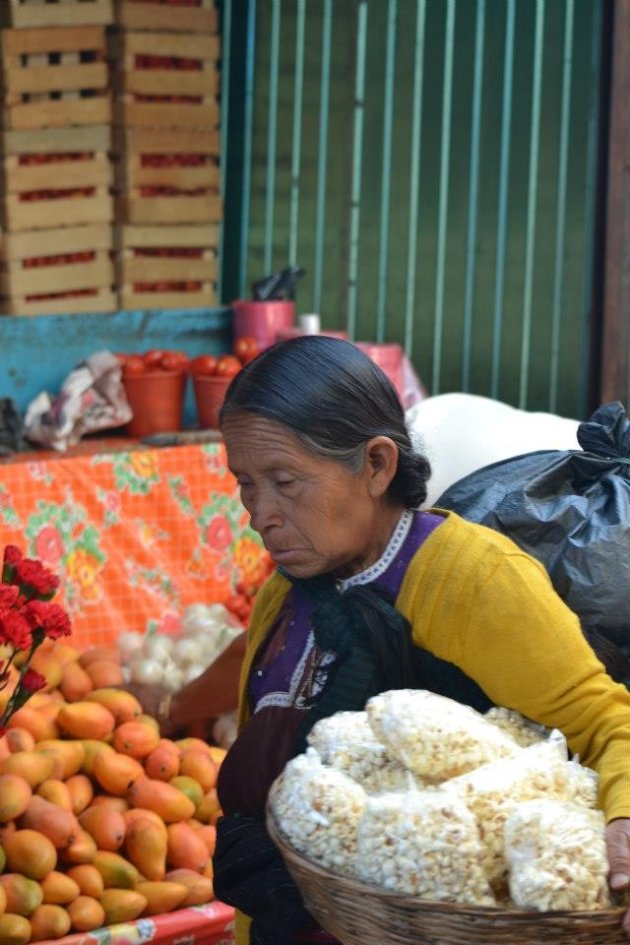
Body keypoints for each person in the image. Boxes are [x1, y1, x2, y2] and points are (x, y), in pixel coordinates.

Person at [136, 336, 630, 944]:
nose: (259, 512)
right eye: (246, 484)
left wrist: (624, 828)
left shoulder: (473, 581)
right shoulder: (286, 593)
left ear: (376, 465)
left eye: (285, 481)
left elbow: (608, 722)